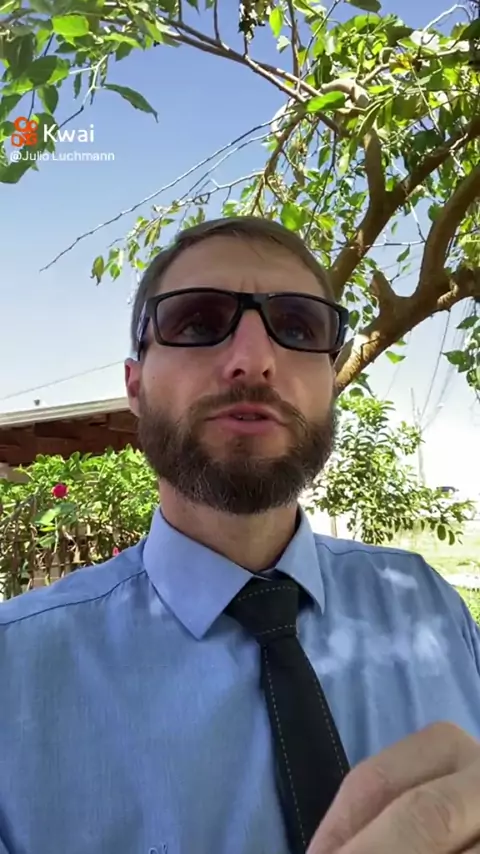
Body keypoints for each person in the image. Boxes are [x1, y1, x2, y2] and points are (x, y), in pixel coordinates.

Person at [0, 216, 479, 854]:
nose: (254, 360)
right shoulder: (15, 671)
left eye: (299, 329)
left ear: (331, 382)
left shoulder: (430, 606)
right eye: (198, 323)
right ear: (135, 387)